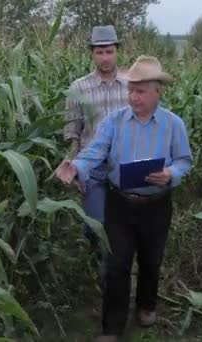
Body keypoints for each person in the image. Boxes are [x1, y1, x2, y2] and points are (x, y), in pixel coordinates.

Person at [55, 55, 193, 342]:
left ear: (157, 92)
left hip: (157, 205)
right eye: (131, 90)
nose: (133, 96)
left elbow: (184, 160)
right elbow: (94, 152)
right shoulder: (114, 122)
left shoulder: (173, 124)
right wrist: (76, 167)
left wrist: (170, 174)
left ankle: (146, 304)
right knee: (116, 264)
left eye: (141, 91)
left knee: (151, 261)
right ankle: (112, 328)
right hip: (120, 203)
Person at [63, 25, 129, 259]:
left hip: (124, 166)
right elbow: (72, 132)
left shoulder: (132, 85)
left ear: (117, 51)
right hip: (92, 168)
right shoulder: (78, 88)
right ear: (92, 53)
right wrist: (73, 166)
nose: (105, 57)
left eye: (109, 51)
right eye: (99, 52)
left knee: (121, 227)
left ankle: (113, 272)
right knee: (95, 223)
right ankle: (94, 260)